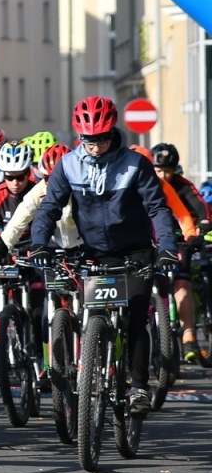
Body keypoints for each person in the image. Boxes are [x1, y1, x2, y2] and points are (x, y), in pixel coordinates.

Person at [30, 97, 179, 414]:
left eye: (101, 139)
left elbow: (158, 210)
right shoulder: (68, 165)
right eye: (88, 140)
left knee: (137, 317)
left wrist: (166, 248)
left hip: (135, 252)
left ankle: (139, 387)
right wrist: (39, 242)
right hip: (94, 253)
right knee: (90, 315)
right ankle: (89, 370)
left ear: (113, 133)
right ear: (78, 137)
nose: (95, 147)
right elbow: (49, 208)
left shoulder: (135, 164)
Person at [151, 142, 209, 364]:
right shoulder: (146, 184)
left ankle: (188, 338)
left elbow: (200, 206)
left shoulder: (182, 186)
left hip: (180, 242)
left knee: (182, 285)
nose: (164, 175)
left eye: (168, 170)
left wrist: (202, 226)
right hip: (153, 244)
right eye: (159, 170)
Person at [0, 141, 38, 263]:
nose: (15, 183)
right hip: (4, 246)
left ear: (28, 173)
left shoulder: (38, 191)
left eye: (20, 177)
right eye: (10, 178)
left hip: (33, 248)